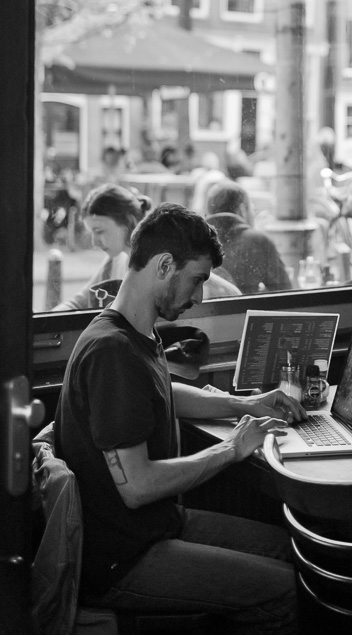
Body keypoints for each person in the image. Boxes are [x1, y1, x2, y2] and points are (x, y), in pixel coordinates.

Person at [55, 203, 303, 632]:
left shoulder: (132, 329)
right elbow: (137, 486)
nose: (200, 296)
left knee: (286, 548)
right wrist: (230, 449)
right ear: (165, 265)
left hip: (155, 525)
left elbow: (161, 392)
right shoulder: (111, 352)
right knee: (284, 590)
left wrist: (242, 404)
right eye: (198, 279)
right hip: (122, 558)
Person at [53, 184, 153, 311]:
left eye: (99, 231)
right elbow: (79, 303)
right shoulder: (115, 259)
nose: (95, 243)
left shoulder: (153, 268)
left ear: (128, 222)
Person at [206, 181, 292, 294]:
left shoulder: (195, 240)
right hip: (240, 311)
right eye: (253, 209)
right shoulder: (258, 241)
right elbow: (285, 294)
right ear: (242, 210)